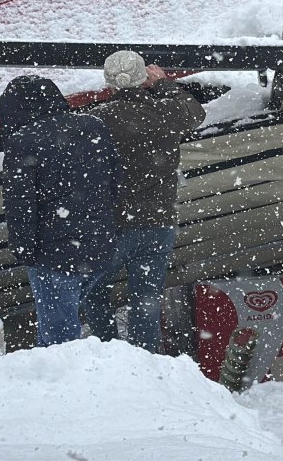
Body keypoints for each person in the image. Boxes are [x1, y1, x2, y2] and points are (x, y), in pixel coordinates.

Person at [83, 51, 206, 353]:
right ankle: (144, 359)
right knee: (147, 300)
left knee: (94, 290)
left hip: (110, 224)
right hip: (156, 222)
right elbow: (195, 113)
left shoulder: (96, 121)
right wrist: (163, 83)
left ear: (108, 83)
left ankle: (107, 349)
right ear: (143, 79)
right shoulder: (165, 113)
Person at [0, 75, 120, 347]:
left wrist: (23, 249)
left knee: (59, 341)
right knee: (57, 328)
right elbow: (113, 182)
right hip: (99, 247)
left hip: (53, 255)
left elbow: (20, 205)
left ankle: (65, 384)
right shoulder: (93, 127)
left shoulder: (22, 142)